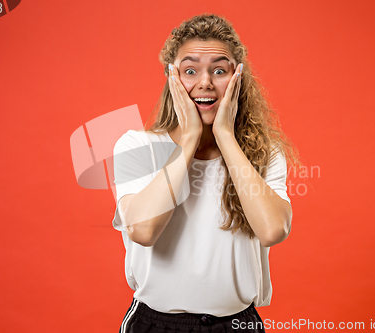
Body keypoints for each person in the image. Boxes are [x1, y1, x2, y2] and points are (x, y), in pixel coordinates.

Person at [111, 13, 301, 333]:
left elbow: (273, 230)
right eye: (190, 70)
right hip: (155, 324)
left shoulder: (266, 153)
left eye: (219, 70)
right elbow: (142, 231)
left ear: (238, 77)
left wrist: (226, 136)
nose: (205, 83)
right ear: (172, 78)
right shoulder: (136, 146)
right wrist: (188, 140)